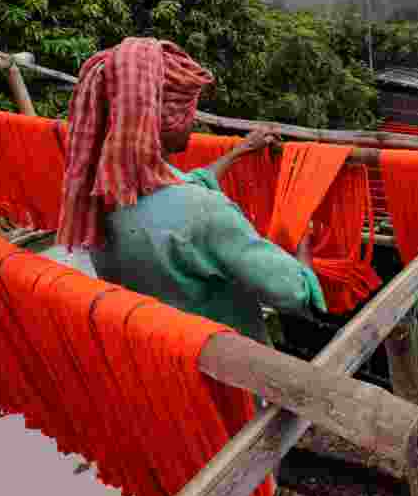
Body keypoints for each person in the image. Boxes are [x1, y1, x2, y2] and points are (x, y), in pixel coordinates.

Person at [58, 37, 326, 344]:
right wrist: (303, 242)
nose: (194, 121)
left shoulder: (97, 194)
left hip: (152, 351)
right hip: (222, 372)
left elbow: (181, 187)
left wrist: (239, 151)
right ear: (169, 119)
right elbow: (293, 293)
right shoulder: (205, 213)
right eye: (190, 111)